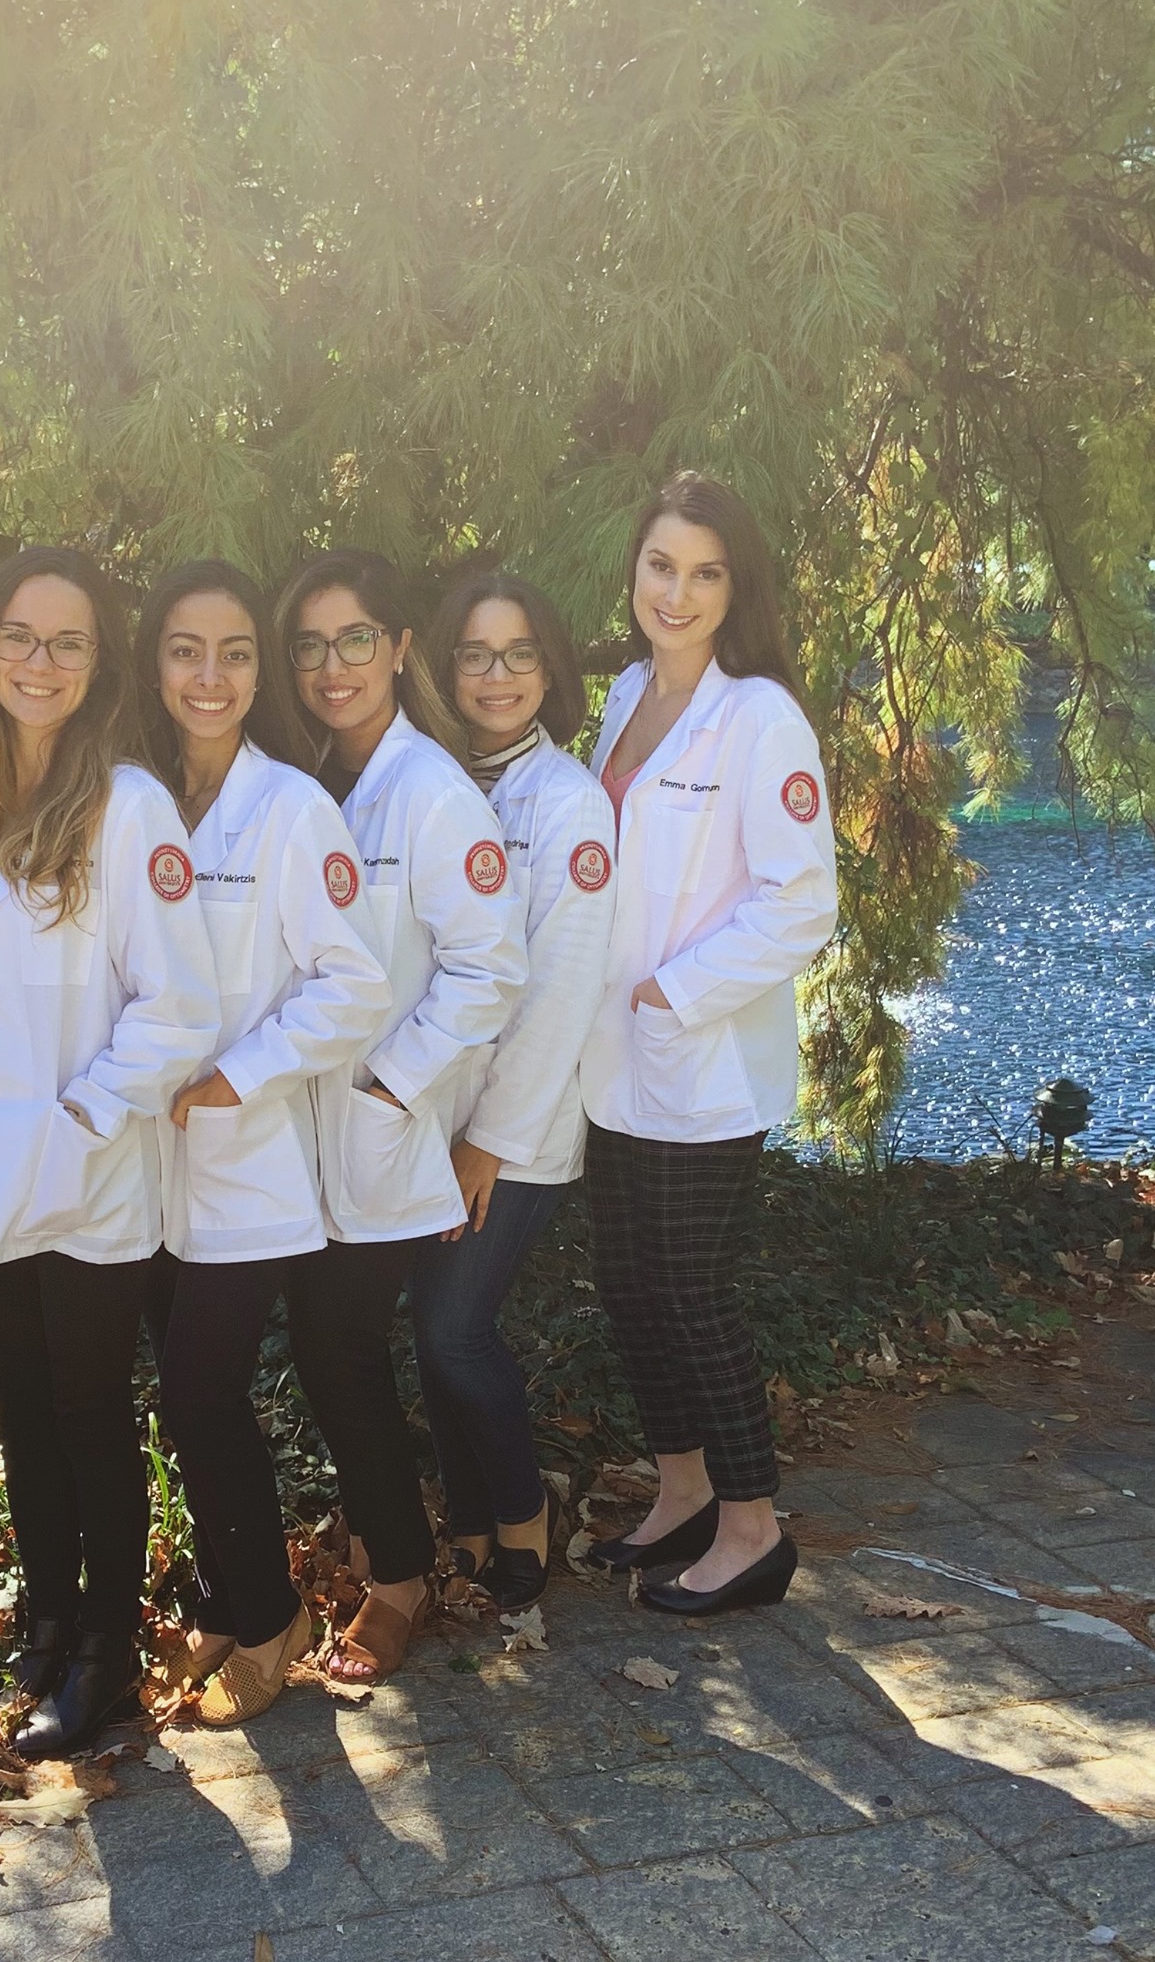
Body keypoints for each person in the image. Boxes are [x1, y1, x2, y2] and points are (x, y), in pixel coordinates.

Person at [0, 546, 220, 1754]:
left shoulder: (127, 808)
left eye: (68, 641)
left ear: (97, 664)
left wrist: (75, 1124)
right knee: (22, 1409)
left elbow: (178, 1009)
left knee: (86, 1411)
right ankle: (50, 1615)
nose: (39, 659)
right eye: (19, 635)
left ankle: (108, 1656)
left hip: (78, 1175)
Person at [136, 559, 390, 1727]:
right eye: (188, 649)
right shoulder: (130, 797)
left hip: (246, 1167)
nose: (211, 674)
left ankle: (269, 1611)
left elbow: (353, 986)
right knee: (187, 1393)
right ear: (155, 660)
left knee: (201, 1391)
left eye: (236, 651)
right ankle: (230, 1601)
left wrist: (238, 1073)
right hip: (142, 1169)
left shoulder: (291, 809)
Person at [582, 473, 838, 1617]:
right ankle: (679, 1490)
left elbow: (801, 905)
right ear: (632, 571)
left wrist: (672, 990)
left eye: (704, 571)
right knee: (632, 1286)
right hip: (613, 1058)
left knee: (693, 1292)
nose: (675, 592)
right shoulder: (625, 693)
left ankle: (751, 1528)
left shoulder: (762, 718)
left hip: (702, 1060)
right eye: (659, 566)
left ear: (736, 587)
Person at [275, 549, 527, 1680]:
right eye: (312, 645)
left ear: (399, 648)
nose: (334, 666)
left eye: (356, 639)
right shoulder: (308, 776)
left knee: (338, 1349)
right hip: (290, 1128)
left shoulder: (430, 793)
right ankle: (396, 1551)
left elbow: (490, 967)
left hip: (372, 1128)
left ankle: (398, 1578)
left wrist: (390, 1083)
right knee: (326, 1350)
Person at [411, 570, 616, 1611]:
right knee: (428, 1326)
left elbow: (560, 994)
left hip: (514, 1128)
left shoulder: (570, 805)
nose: (497, 676)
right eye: (475, 654)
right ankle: (475, 1515)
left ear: (551, 668)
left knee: (454, 1326)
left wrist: (487, 1141)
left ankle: (525, 1506)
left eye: (520, 653)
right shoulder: (428, 781)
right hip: (422, 1115)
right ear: (444, 667)